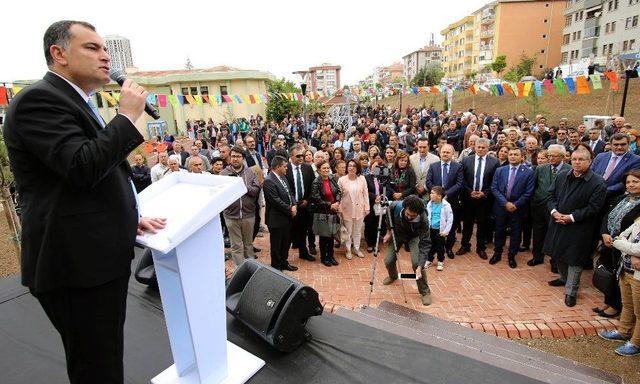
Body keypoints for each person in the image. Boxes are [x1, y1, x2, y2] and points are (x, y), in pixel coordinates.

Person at [2, 20, 166, 383]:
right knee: (97, 367)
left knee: (103, 358)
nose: (106, 56)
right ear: (58, 54)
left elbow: (87, 179)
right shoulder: (38, 101)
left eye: (105, 48)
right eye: (91, 47)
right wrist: (126, 117)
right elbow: (81, 166)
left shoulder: (75, 101)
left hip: (92, 257)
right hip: (74, 266)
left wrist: (125, 217)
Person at [545, 148, 607, 307]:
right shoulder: (562, 176)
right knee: (557, 253)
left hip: (579, 227)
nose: (577, 162)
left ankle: (571, 292)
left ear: (590, 161)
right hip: (558, 222)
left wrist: (571, 217)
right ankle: (563, 279)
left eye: (581, 159)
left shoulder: (598, 182)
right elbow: (550, 196)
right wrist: (554, 212)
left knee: (574, 259)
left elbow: (594, 208)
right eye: (574, 159)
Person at [596, 170, 640, 318]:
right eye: (628, 182)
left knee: (619, 278)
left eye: (635, 181)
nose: (631, 185)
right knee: (608, 275)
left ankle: (617, 306)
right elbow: (606, 217)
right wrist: (604, 234)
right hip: (608, 243)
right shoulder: (620, 198)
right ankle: (609, 301)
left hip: (625, 248)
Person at [598, 217, 640, 356]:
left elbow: (636, 248)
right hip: (626, 270)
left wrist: (621, 245)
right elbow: (621, 235)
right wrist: (631, 253)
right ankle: (624, 332)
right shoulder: (638, 220)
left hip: (638, 276)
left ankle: (636, 343)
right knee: (627, 305)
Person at [382, 196, 432, 306]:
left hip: (414, 237)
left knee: (417, 263)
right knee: (388, 260)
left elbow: (425, 243)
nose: (409, 217)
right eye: (407, 214)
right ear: (404, 208)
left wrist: (420, 266)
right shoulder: (394, 206)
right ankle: (393, 276)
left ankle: (425, 292)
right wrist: (389, 232)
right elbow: (388, 218)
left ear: (418, 214)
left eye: (413, 216)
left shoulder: (424, 219)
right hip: (398, 234)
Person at [489, 148, 535, 268]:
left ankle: (512, 256)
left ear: (522, 157)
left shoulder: (528, 172)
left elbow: (529, 192)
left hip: (518, 209)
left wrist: (515, 204)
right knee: (499, 231)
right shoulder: (500, 170)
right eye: (511, 154)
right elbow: (494, 188)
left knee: (516, 233)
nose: (513, 156)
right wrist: (505, 203)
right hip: (501, 207)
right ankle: (497, 253)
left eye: (516, 154)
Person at [529, 145, 571, 268]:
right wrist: (534, 201)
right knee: (538, 232)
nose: (550, 158)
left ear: (563, 157)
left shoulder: (569, 170)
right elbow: (534, 186)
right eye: (549, 155)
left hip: (558, 208)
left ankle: (554, 262)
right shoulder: (540, 168)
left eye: (554, 156)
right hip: (540, 206)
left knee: (555, 234)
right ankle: (537, 257)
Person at [458, 138, 500, 260]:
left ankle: (481, 247)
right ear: (474, 147)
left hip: (484, 199)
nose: (481, 149)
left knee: (482, 224)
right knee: (467, 223)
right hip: (468, 198)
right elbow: (462, 180)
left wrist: (484, 193)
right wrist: (469, 192)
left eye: (483, 147)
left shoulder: (494, 162)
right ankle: (465, 245)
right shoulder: (466, 160)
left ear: (488, 148)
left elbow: (495, 181)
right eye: (478, 147)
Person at [220, 146, 261, 266]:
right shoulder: (223, 174)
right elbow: (220, 195)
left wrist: (242, 186)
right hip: (231, 216)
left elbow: (256, 190)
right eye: (233, 156)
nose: (235, 159)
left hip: (248, 215)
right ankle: (240, 270)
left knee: (248, 244)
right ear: (230, 158)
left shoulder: (251, 172)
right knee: (236, 245)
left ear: (243, 158)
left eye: (238, 156)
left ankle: (250, 268)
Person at [426, 144, 463, 258]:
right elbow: (428, 182)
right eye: (443, 152)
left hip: (451, 201)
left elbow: (459, 183)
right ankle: (434, 249)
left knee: (450, 226)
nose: (445, 154)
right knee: (435, 226)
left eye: (448, 152)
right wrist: (437, 195)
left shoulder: (458, 167)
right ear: (440, 153)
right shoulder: (433, 166)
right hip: (435, 202)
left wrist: (445, 194)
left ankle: (449, 248)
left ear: (453, 154)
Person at [264, 156, 298, 271]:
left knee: (286, 243)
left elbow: (290, 193)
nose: (286, 169)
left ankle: (284, 262)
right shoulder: (269, 180)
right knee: (276, 245)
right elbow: (275, 201)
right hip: (276, 219)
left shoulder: (283, 178)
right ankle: (276, 267)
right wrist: (290, 210)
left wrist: (294, 205)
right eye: (285, 166)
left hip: (287, 218)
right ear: (278, 167)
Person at [285, 145, 316, 262]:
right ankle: (284, 258)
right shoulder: (285, 169)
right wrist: (292, 204)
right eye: (298, 156)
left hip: (304, 206)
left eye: (302, 155)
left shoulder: (307, 168)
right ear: (291, 156)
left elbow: (313, 186)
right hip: (290, 207)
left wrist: (308, 200)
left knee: (303, 231)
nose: (301, 158)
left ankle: (303, 253)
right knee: (288, 233)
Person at [310, 160, 341, 267]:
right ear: (319, 170)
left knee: (332, 235)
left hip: (333, 211)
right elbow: (316, 198)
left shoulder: (332, 179)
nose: (326, 170)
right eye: (324, 168)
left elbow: (338, 191)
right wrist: (330, 205)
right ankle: (324, 257)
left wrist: (337, 202)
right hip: (323, 212)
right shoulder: (316, 182)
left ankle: (331, 256)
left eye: (328, 168)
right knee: (324, 236)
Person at [338, 159, 370, 259]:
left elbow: (365, 194)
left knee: (357, 231)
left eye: (354, 166)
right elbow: (338, 196)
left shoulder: (362, 179)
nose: (351, 168)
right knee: (348, 231)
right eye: (350, 166)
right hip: (346, 209)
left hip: (360, 209)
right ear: (347, 168)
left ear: (357, 168)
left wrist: (367, 207)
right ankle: (348, 250)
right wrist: (339, 209)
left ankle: (356, 248)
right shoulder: (342, 180)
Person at [426, 186, 453, 271]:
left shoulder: (446, 205)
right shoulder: (430, 204)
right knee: (431, 245)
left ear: (439, 196)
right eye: (430, 193)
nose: (430, 194)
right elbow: (427, 216)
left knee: (440, 246)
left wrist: (446, 231)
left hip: (441, 230)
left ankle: (440, 261)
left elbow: (450, 219)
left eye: (432, 193)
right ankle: (429, 259)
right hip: (431, 229)